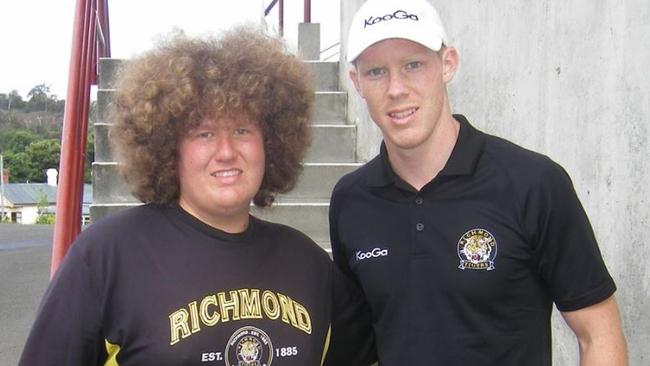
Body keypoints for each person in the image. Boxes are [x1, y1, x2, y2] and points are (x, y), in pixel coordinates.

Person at [19, 26, 375, 366]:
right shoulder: (105, 256)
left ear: (271, 142)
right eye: (203, 133)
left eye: (241, 129)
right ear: (167, 146)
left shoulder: (309, 265)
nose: (225, 151)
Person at [329, 0, 628, 365]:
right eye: (376, 72)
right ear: (356, 82)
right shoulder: (351, 200)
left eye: (413, 65)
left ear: (447, 64)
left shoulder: (533, 184)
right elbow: (357, 347)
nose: (396, 89)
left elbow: (598, 334)